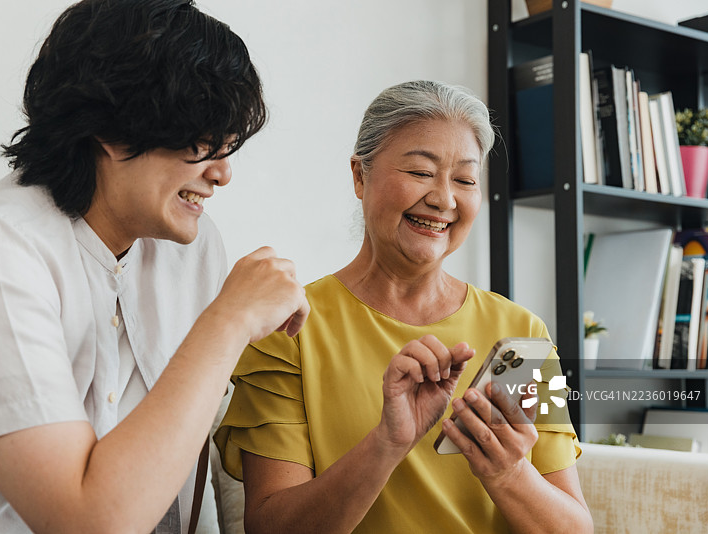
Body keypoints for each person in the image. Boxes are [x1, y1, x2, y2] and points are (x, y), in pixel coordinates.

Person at [0, 1, 309, 532]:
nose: (222, 173)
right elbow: (87, 521)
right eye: (203, 141)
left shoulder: (193, 247)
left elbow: (198, 452)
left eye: (228, 145)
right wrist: (230, 320)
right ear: (113, 128)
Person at [215, 81, 594, 533]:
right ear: (360, 176)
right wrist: (386, 444)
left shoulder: (519, 334)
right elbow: (269, 527)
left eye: (465, 180)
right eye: (420, 171)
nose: (444, 199)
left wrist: (509, 473)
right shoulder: (290, 327)